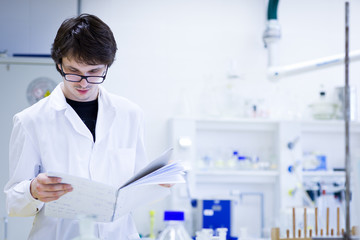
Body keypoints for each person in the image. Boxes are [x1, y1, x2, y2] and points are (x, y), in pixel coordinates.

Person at [4, 14, 159, 239]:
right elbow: (13, 202)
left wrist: (157, 185)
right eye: (74, 71)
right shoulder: (31, 120)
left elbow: (139, 184)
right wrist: (32, 191)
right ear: (59, 64)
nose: (84, 83)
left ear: (107, 66)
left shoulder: (130, 114)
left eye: (94, 72)